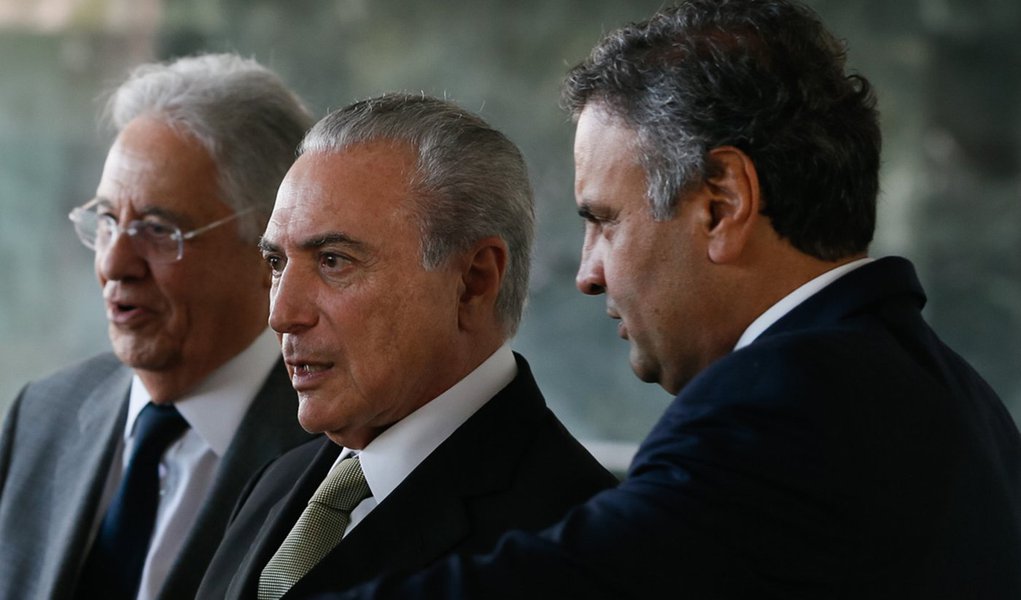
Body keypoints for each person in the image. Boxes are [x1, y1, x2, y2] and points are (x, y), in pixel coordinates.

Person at [310, 2, 1021, 599]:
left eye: (603, 221)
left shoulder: (786, 404)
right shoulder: (952, 396)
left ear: (722, 204)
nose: (588, 274)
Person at [193, 93, 617, 600]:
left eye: (333, 261)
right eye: (277, 263)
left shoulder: (579, 541)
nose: (282, 314)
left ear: (474, 281)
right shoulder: (278, 482)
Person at [0, 53, 317, 600]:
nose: (113, 264)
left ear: (269, 251)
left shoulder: (336, 461)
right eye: (106, 221)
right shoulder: (43, 415)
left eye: (157, 229)